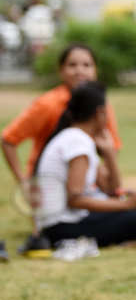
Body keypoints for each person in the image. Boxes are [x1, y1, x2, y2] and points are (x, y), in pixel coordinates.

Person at [1, 43, 122, 257]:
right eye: (72, 65)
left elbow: (109, 151)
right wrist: (24, 183)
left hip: (84, 185)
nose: (80, 71)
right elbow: (8, 139)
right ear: (61, 70)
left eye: (87, 65)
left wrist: (108, 187)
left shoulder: (101, 105)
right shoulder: (48, 105)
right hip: (51, 189)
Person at [35, 81, 136, 248]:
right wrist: (127, 204)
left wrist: (109, 155)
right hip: (61, 227)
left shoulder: (78, 138)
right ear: (100, 113)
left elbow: (111, 190)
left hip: (66, 222)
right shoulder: (77, 143)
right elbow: (75, 199)